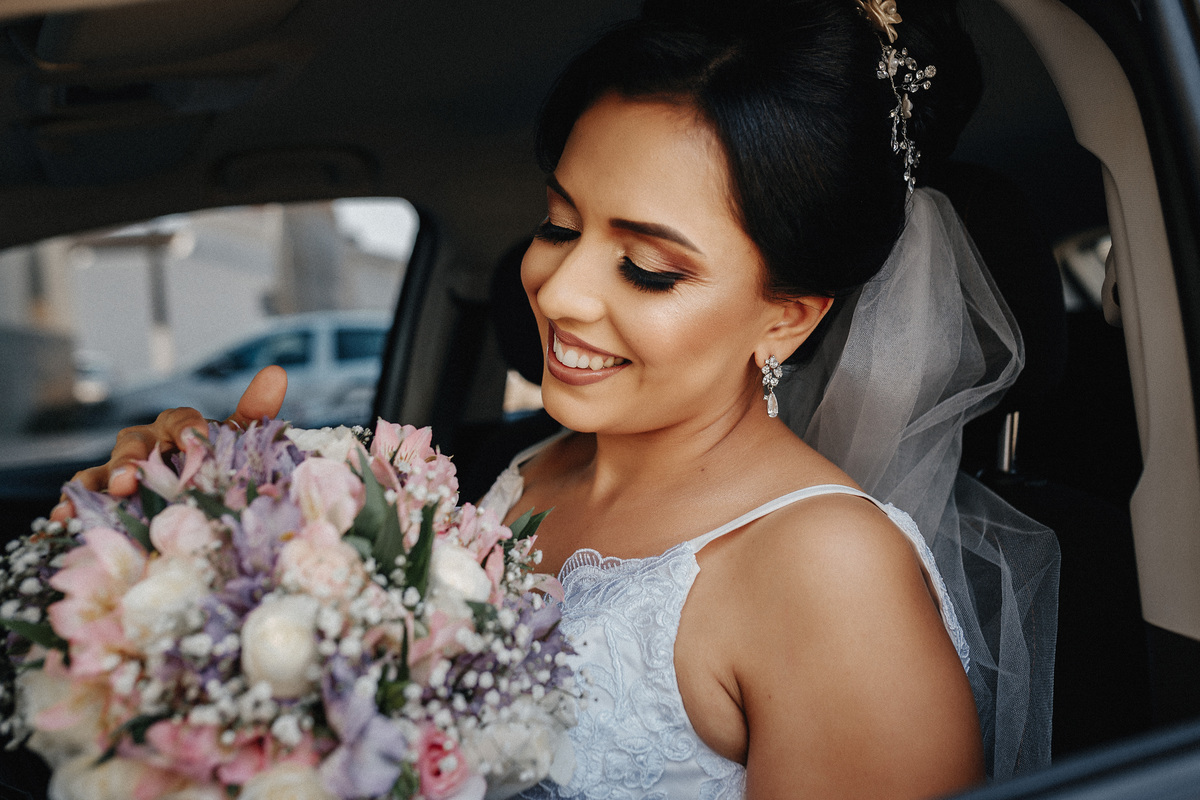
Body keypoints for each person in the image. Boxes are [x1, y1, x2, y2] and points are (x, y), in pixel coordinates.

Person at [58, 1, 1060, 797]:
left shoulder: (829, 574)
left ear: (786, 317)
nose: (560, 289)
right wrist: (220, 529)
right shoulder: (526, 473)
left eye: (649, 267)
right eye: (557, 223)